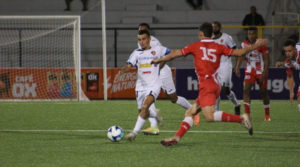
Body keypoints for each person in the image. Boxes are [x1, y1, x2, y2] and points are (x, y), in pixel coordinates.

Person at [152, 22, 267, 146]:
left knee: (209, 116)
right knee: (190, 112)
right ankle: (176, 138)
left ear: (201, 34)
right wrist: (255, 46)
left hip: (206, 84)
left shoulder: (195, 46)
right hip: (214, 83)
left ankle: (241, 119)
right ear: (212, 34)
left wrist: (160, 59)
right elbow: (239, 52)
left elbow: (175, 54)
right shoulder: (219, 46)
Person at [137, 23, 196, 134]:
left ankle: (193, 109)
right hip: (152, 74)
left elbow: (165, 56)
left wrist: (158, 69)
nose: (141, 33)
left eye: (144, 30)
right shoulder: (141, 42)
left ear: (149, 32)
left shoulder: (153, 42)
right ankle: (154, 126)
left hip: (162, 72)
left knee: (173, 98)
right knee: (148, 96)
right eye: (140, 30)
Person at [119, 30, 170, 141]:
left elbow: (169, 53)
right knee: (142, 112)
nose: (141, 42)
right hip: (140, 86)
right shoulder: (136, 53)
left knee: (145, 106)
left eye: (144, 39)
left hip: (154, 85)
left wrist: (161, 62)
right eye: (139, 39)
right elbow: (129, 65)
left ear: (149, 39)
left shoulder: (157, 50)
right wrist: (124, 70)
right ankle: (154, 114)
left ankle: (134, 133)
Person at [235, 27, 271, 121]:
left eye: (253, 34)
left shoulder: (261, 44)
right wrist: (237, 67)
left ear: (256, 35)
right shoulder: (244, 44)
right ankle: (247, 115)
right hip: (249, 70)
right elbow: (241, 56)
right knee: (246, 91)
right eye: (249, 34)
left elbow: (267, 60)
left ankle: (267, 115)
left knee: (264, 93)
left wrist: (264, 73)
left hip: (260, 70)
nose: (251, 36)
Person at [212, 21, 241, 115]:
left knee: (226, 89)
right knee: (215, 89)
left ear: (220, 27)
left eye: (216, 27)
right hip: (215, 66)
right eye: (213, 27)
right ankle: (216, 111)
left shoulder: (226, 38)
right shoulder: (211, 39)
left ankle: (236, 104)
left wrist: (237, 66)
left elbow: (235, 51)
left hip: (225, 65)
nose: (214, 29)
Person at [276, 39, 300, 111]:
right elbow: (289, 76)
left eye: (290, 51)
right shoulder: (288, 62)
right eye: (286, 51)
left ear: (295, 50)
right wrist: (291, 92)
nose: (287, 53)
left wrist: (282, 64)